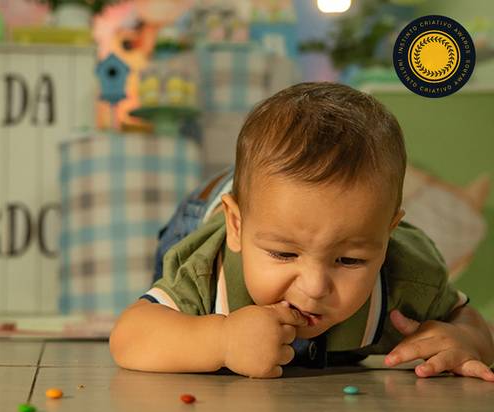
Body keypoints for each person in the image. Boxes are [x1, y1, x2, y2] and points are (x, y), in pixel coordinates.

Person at [109, 82, 494, 380]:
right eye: (284, 254)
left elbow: (467, 318)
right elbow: (130, 336)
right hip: (204, 212)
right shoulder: (209, 273)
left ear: (388, 236)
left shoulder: (409, 278)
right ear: (238, 226)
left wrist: (468, 340)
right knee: (170, 306)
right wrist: (221, 341)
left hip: (275, 211)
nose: (314, 286)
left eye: (349, 259)